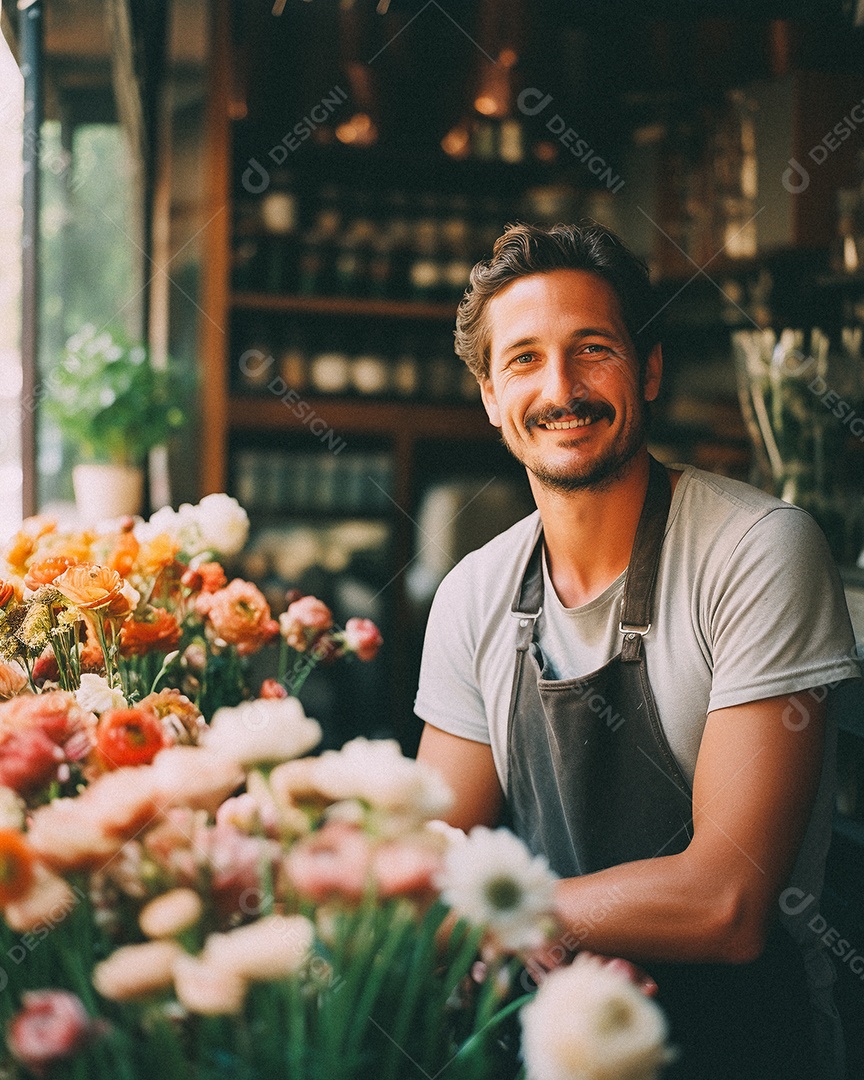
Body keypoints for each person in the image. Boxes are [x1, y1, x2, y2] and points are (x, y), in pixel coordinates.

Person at [414, 222, 862, 1079]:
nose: (561, 389)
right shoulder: (474, 592)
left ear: (648, 370)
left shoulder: (759, 551)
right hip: (547, 1045)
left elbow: (726, 903)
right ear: (487, 395)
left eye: (593, 350)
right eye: (523, 360)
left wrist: (518, 913)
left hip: (740, 1048)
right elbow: (433, 855)